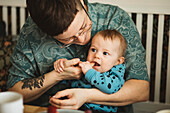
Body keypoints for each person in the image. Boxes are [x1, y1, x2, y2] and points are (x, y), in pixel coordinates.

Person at [6, 0, 149, 113]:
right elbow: (14, 92)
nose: (83, 40)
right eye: (68, 40)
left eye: (84, 27)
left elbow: (141, 90)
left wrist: (85, 96)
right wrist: (57, 75)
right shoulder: (32, 32)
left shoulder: (115, 19)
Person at [54, 29, 127, 112]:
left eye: (105, 53)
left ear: (118, 61)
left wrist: (89, 72)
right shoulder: (87, 65)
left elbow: (110, 88)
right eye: (93, 50)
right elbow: (69, 81)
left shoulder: (116, 72)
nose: (97, 55)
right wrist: (64, 67)